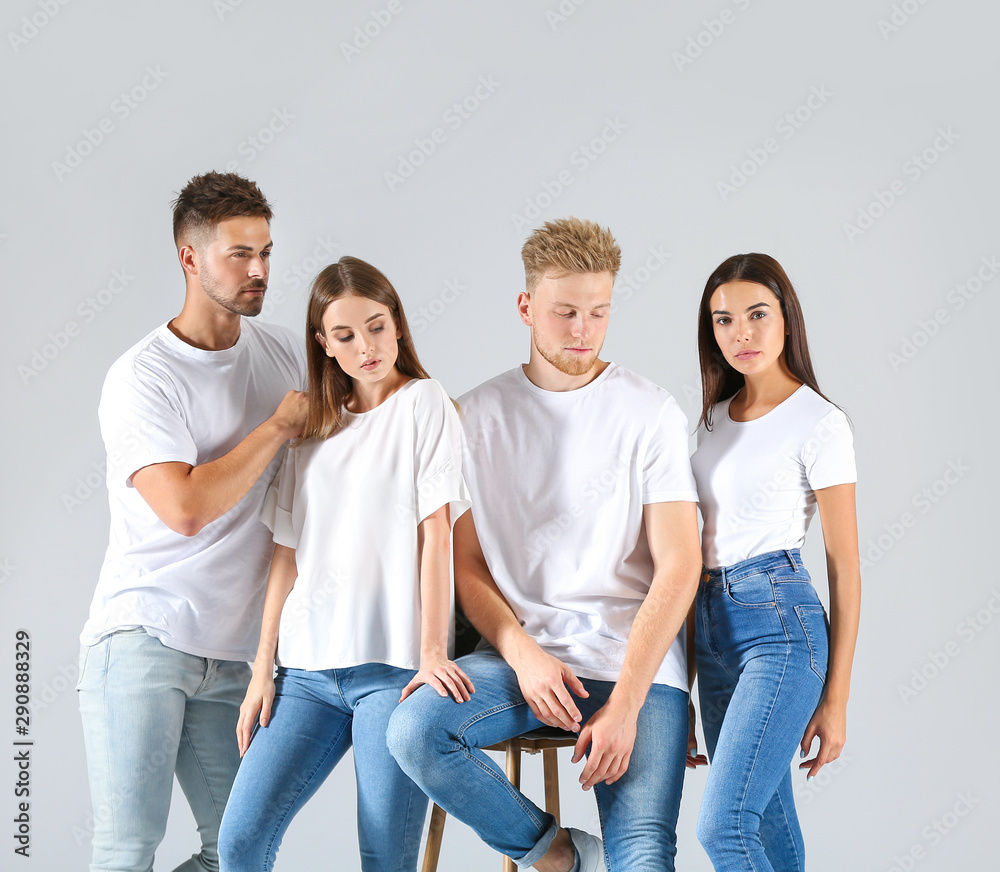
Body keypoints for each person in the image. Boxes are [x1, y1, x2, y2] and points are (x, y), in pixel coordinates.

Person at [388, 217, 702, 872]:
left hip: (633, 667)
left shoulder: (650, 412)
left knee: (643, 857)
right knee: (416, 731)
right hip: (527, 663)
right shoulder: (471, 418)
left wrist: (628, 704)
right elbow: (467, 567)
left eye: (598, 313)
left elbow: (679, 564)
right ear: (527, 307)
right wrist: (524, 654)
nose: (583, 332)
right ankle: (559, 855)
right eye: (565, 313)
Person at [77, 171, 308, 872]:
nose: (259, 270)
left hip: (237, 655)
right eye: (240, 253)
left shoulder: (280, 358)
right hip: (144, 635)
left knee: (238, 851)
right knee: (127, 848)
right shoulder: (142, 377)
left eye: (266, 251)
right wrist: (277, 427)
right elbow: (185, 509)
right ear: (190, 257)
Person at [217, 256, 473, 872]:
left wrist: (434, 651)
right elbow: (286, 557)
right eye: (346, 335)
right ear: (323, 345)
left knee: (384, 858)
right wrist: (261, 671)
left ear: (399, 327)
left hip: (391, 671)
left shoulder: (424, 404)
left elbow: (435, 534)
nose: (367, 347)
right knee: (240, 841)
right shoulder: (310, 430)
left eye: (378, 327)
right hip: (304, 673)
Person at [688, 253, 861, 871]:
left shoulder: (819, 422)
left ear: (787, 318)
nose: (742, 333)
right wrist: (679, 686)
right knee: (765, 826)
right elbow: (689, 554)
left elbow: (844, 567)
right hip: (708, 628)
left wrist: (835, 697)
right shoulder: (710, 421)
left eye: (758, 315)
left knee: (724, 828)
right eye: (724, 319)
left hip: (780, 626)